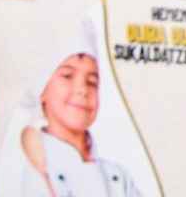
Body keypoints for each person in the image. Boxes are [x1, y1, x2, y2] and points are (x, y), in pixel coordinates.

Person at [15, 30, 144, 197]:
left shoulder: (118, 177)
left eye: (92, 81)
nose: (83, 90)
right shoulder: (27, 171)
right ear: (41, 89)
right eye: (68, 76)